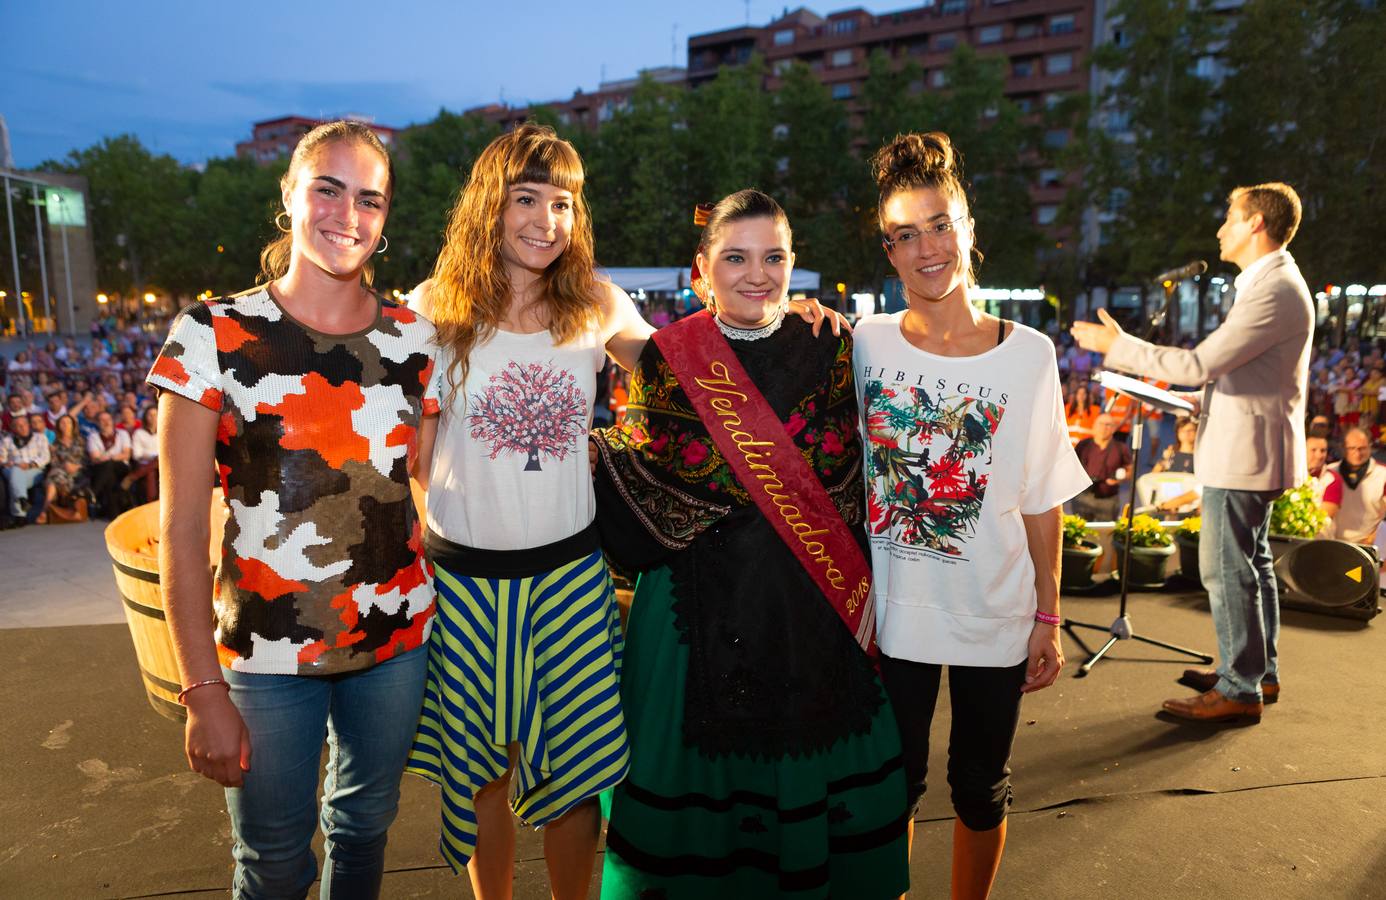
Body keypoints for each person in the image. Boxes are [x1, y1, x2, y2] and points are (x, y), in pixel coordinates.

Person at [405, 125, 841, 900]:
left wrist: (781, 314)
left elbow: (699, 371)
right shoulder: (432, 308)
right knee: (482, 778)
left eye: (562, 203)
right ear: (488, 207)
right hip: (463, 585)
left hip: (570, 582)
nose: (545, 220)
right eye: (526, 200)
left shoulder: (598, 302)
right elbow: (401, 446)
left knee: (574, 785)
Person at [149, 120, 440, 898]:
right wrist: (201, 689)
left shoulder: (417, 340)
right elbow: (179, 535)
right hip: (264, 657)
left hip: (395, 644)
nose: (348, 213)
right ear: (290, 196)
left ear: (385, 217)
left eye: (369, 199)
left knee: (364, 830)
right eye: (329, 188)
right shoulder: (211, 335)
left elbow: (443, 478)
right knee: (273, 862)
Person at [593, 189, 909, 899]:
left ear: (795, 265)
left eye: (774, 257)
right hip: (695, 608)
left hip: (811, 603)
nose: (757, 274)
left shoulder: (834, 345)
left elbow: (857, 469)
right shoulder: (669, 356)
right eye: (735, 258)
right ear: (702, 271)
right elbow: (643, 474)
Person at [854, 131, 1088, 899]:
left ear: (969, 229)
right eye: (905, 234)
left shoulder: (1030, 354)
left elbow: (1041, 495)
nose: (927, 248)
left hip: (995, 611)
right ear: (887, 251)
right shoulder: (862, 344)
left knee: (982, 788)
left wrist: (1048, 616)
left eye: (940, 224)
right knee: (894, 788)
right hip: (896, 617)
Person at [1072, 181, 1313, 723]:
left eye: (1230, 217)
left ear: (1256, 224)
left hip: (1244, 454)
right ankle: (1256, 671)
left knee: (1228, 570)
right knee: (1253, 565)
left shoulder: (1273, 289)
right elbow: (1241, 373)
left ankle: (1238, 688)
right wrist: (1186, 399)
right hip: (1252, 445)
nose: (1220, 228)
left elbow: (1203, 362)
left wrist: (1121, 349)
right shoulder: (1271, 283)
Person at [1327, 426, 1386, 545]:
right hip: (1333, 545)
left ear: (1370, 447)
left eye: (1362, 448)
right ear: (1343, 448)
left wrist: (1374, 538)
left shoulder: (1383, 474)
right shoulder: (1330, 472)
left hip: (1369, 547)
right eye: (1352, 448)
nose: (1357, 453)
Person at [1071, 413, 1132, 521]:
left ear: (1114, 428)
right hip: (1083, 497)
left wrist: (1121, 479)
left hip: (1108, 500)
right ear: (1094, 427)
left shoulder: (1121, 448)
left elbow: (1130, 470)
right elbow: (1072, 465)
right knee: (1080, 534)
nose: (1104, 427)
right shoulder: (1084, 445)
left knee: (1105, 534)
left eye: (1108, 424)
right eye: (1100, 424)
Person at [1, 414, 50, 526]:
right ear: (13, 428)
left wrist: (30, 465)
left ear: (28, 425)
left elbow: (45, 457)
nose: (22, 427)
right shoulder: (7, 440)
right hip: (11, 468)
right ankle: (22, 500)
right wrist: (5, 462)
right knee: (15, 471)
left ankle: (19, 514)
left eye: (24, 424)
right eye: (18, 426)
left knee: (16, 479)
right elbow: (1, 458)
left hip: (34, 469)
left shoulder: (40, 437)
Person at [42, 413, 88, 523]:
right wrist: (64, 466)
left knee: (53, 477)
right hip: (61, 471)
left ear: (73, 425)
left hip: (80, 471)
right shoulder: (54, 443)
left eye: (68, 422)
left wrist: (77, 466)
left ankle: (44, 510)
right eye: (62, 422)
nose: (65, 425)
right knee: (56, 473)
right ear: (58, 426)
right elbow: (53, 461)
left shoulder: (82, 440)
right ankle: (46, 510)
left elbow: (89, 459)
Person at [85, 410, 132, 519]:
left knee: (109, 465)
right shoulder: (93, 437)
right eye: (102, 420)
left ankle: (93, 492)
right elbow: (94, 458)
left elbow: (126, 454)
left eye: (108, 419)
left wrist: (109, 457)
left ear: (112, 421)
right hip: (102, 468)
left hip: (121, 466)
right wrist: (112, 457)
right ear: (97, 422)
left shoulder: (122, 434)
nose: (106, 422)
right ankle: (114, 513)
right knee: (109, 473)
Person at [1306, 432, 1342, 539]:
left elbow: (1325, 516)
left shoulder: (1332, 479)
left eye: (1323, 450)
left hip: (1321, 542)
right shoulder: (1291, 474)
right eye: (1313, 450)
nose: (1319, 455)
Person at [123, 405, 159, 503]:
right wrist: (154, 456)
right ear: (145, 417)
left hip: (163, 465)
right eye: (150, 415)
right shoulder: (139, 433)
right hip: (143, 464)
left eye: (155, 415)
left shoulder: (166, 432)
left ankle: (133, 477)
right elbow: (137, 455)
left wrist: (155, 456)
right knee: (151, 471)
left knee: (159, 459)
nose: (153, 418)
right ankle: (151, 503)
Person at [1064, 381, 1100, 446]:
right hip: (1068, 445)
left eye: (1084, 393)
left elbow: (1097, 431)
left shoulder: (1095, 410)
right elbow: (1062, 427)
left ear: (1087, 395)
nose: (1081, 396)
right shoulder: (1068, 408)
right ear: (1076, 395)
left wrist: (1080, 429)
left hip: (1086, 445)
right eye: (1079, 393)